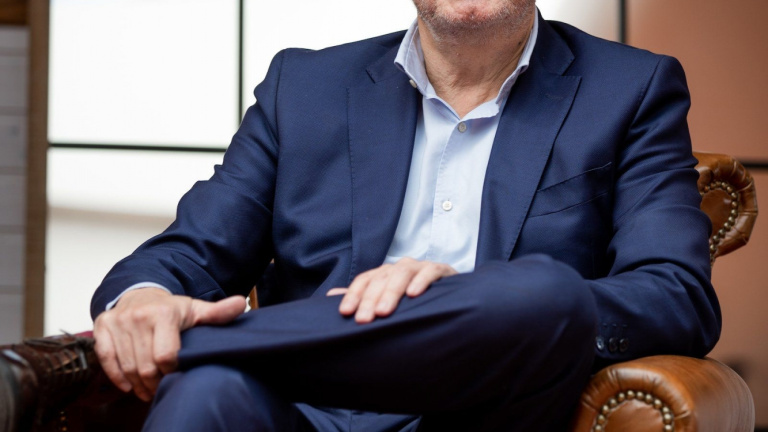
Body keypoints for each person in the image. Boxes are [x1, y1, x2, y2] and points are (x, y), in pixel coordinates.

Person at [1, 1, 720, 431]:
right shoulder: (305, 86)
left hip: (491, 407)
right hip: (302, 410)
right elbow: (191, 251)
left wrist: (456, 298)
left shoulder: (631, 88)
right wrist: (144, 299)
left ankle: (89, 362)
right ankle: (210, 359)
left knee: (544, 292)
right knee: (208, 391)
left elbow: (675, 293)